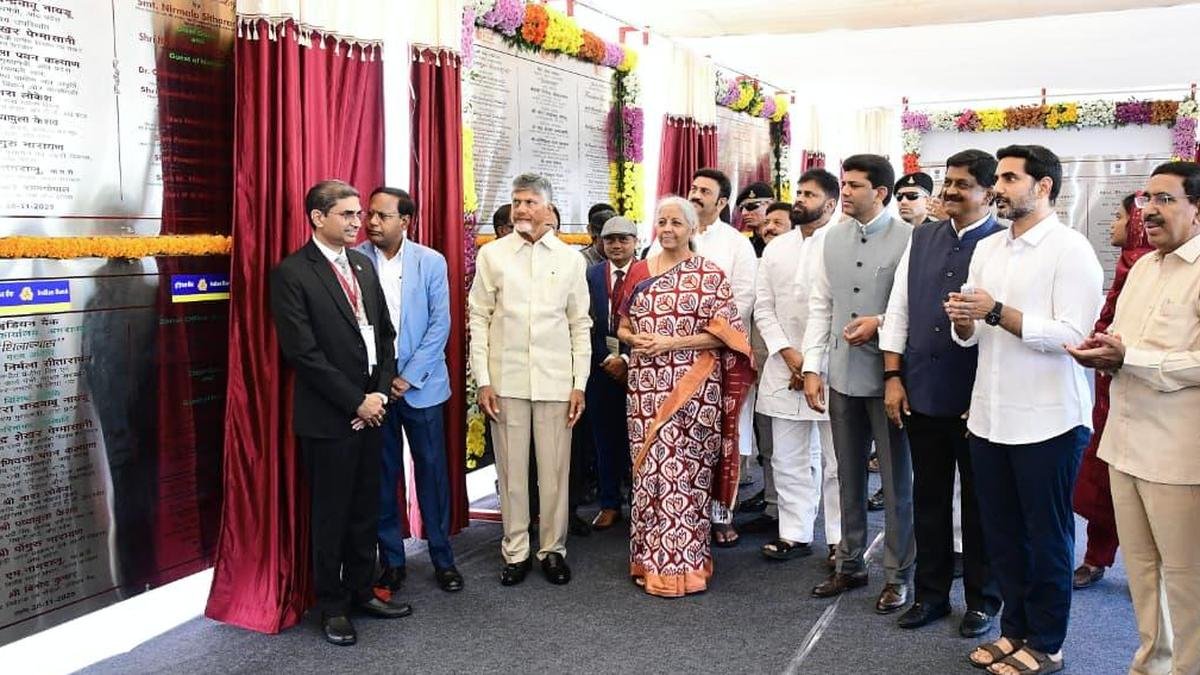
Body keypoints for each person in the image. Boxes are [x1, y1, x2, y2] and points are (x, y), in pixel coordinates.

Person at [946, 145, 1102, 674]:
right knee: (1001, 535)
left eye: (1011, 178)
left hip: (1049, 420)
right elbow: (970, 336)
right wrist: (965, 322)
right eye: (999, 178)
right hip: (990, 416)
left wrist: (994, 313)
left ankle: (1048, 642)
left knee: (1048, 538)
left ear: (1044, 187)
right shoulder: (989, 248)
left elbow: (1072, 337)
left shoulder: (1070, 249)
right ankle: (1013, 631)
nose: (998, 186)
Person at [1068, 160, 1200, 675]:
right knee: (1142, 574)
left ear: (1197, 208)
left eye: (1164, 199)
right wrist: (1101, 351)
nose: (1148, 210)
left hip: (1178, 458)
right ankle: (1150, 665)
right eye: (1146, 199)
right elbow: (1124, 343)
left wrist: (1131, 359)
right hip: (1123, 447)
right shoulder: (1143, 267)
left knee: (1186, 581)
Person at [270, 179, 411, 646]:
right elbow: (303, 354)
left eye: (359, 214)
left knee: (366, 510)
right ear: (317, 217)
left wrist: (379, 398)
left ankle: (360, 589)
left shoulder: (361, 266)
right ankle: (331, 605)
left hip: (372, 411)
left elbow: (385, 336)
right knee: (330, 515)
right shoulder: (293, 273)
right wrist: (355, 401)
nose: (359, 222)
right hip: (330, 418)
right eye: (348, 214)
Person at [879, 150, 1003, 637]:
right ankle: (931, 595)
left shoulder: (999, 243)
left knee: (978, 504)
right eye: (947, 182)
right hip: (922, 390)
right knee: (928, 497)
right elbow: (899, 309)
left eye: (963, 184)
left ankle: (981, 601)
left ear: (988, 193)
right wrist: (893, 375)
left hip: (978, 399)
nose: (950, 192)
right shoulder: (923, 237)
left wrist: (988, 391)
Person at [617, 196, 755, 597]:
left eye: (677, 222)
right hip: (644, 386)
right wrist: (634, 340)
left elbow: (727, 335)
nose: (668, 229)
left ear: (692, 228)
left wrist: (671, 343)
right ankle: (650, 559)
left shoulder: (709, 274)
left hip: (694, 385)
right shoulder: (640, 272)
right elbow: (622, 326)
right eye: (662, 221)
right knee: (651, 474)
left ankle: (686, 566)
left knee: (684, 475)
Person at [802, 154, 915, 615]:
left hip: (891, 379)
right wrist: (813, 367)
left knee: (895, 483)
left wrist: (880, 321)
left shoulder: (911, 239)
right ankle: (848, 563)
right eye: (843, 183)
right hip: (843, 373)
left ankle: (897, 575)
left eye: (853, 186)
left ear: (881, 193)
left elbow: (916, 308)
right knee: (845, 473)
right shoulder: (830, 239)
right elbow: (820, 306)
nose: (843, 192)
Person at [468, 173, 591, 587]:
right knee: (512, 470)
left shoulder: (571, 259)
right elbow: (479, 319)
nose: (521, 210)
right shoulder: (494, 256)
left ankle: (552, 549)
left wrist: (580, 384)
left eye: (529, 202)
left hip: (558, 382)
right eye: (516, 202)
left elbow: (580, 325)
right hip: (506, 381)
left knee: (555, 471)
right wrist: (483, 380)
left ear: (548, 209)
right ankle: (516, 550)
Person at [354, 187, 461, 594]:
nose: (373, 223)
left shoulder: (430, 261)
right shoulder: (355, 259)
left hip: (422, 385)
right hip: (374, 389)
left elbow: (441, 325)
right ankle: (392, 562)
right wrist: (382, 381)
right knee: (381, 476)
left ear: (406, 222)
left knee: (431, 472)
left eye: (383, 216)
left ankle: (442, 557)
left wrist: (408, 376)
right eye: (370, 215)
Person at [649, 168, 757, 546]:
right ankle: (675, 515)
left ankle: (721, 514)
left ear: (722, 201)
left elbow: (741, 301)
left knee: (720, 440)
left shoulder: (736, 244)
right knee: (672, 443)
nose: (695, 194)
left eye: (704, 191)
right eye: (692, 188)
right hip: (664, 366)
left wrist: (702, 335)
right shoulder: (657, 246)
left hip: (717, 358)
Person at [754, 172, 840, 564]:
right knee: (786, 457)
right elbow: (763, 307)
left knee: (836, 460)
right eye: (799, 192)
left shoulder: (842, 244)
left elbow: (838, 311)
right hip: (781, 363)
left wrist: (812, 363)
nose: (801, 199)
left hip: (831, 367)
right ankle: (795, 532)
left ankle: (841, 538)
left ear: (831, 203)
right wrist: (787, 353)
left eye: (811, 194)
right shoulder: (776, 248)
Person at [1070, 193, 1153, 591]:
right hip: (1111, 387)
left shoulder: (1156, 268)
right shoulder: (1130, 265)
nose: (1112, 225)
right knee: (1105, 472)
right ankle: (1097, 557)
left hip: (1154, 392)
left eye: (1120, 218)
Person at [586, 215, 638, 530]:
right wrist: (607, 358)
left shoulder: (648, 273)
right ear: (601, 244)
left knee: (638, 439)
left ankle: (641, 504)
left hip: (640, 369)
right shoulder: (590, 274)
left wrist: (628, 360)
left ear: (636, 242)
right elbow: (583, 321)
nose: (616, 245)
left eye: (623, 239)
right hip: (600, 369)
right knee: (604, 439)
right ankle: (609, 503)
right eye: (610, 240)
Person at [736, 181, 776, 255]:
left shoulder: (785, 240)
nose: (744, 213)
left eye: (751, 206)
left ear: (770, 205)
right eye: (741, 209)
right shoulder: (744, 245)